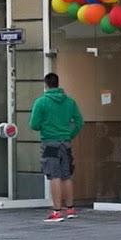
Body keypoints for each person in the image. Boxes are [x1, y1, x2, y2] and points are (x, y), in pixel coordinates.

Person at [30, 72, 84, 223]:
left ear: (46, 85)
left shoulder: (41, 102)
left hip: (49, 143)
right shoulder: (70, 102)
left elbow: (33, 124)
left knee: (54, 176)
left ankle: (57, 211)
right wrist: (69, 134)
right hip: (65, 142)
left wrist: (46, 127)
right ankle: (71, 209)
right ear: (58, 83)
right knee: (66, 175)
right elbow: (80, 122)